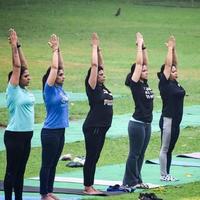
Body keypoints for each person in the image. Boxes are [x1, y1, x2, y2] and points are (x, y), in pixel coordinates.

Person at [4, 28, 35, 200]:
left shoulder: (25, 91)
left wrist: (20, 46)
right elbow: (17, 67)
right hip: (14, 135)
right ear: (16, 79)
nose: (29, 77)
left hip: (26, 135)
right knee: (12, 171)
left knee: (21, 171)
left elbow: (23, 66)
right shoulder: (14, 90)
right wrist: (14, 47)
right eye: (26, 76)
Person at [122, 32, 154, 191]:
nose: (146, 70)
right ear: (136, 72)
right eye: (143, 70)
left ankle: (138, 179)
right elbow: (140, 63)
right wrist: (139, 46)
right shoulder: (135, 84)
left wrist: (143, 46)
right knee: (134, 154)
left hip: (147, 124)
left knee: (141, 154)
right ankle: (129, 181)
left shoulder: (145, 83)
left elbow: (144, 63)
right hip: (137, 124)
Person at [82, 33, 113, 194]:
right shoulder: (92, 87)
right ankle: (88, 187)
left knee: (95, 157)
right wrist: (94, 47)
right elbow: (95, 66)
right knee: (91, 157)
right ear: (93, 77)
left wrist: (99, 51)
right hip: (93, 126)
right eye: (100, 75)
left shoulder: (103, 87)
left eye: (102, 74)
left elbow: (100, 66)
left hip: (101, 128)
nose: (102, 74)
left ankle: (90, 185)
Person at [39, 34, 69, 200]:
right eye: (60, 75)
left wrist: (59, 51)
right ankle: (44, 194)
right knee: (47, 164)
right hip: (50, 132)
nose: (63, 76)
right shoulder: (49, 90)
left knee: (54, 163)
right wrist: (55, 50)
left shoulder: (60, 88)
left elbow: (60, 67)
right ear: (51, 78)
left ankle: (49, 191)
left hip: (60, 131)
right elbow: (55, 68)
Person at [157, 36, 185, 181]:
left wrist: (173, 49)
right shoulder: (164, 83)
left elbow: (173, 63)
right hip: (168, 120)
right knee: (165, 148)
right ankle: (163, 175)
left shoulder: (174, 83)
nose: (175, 72)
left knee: (170, 149)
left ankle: (167, 173)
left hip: (176, 121)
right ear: (166, 74)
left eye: (175, 71)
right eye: (173, 72)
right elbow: (168, 66)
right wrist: (168, 49)